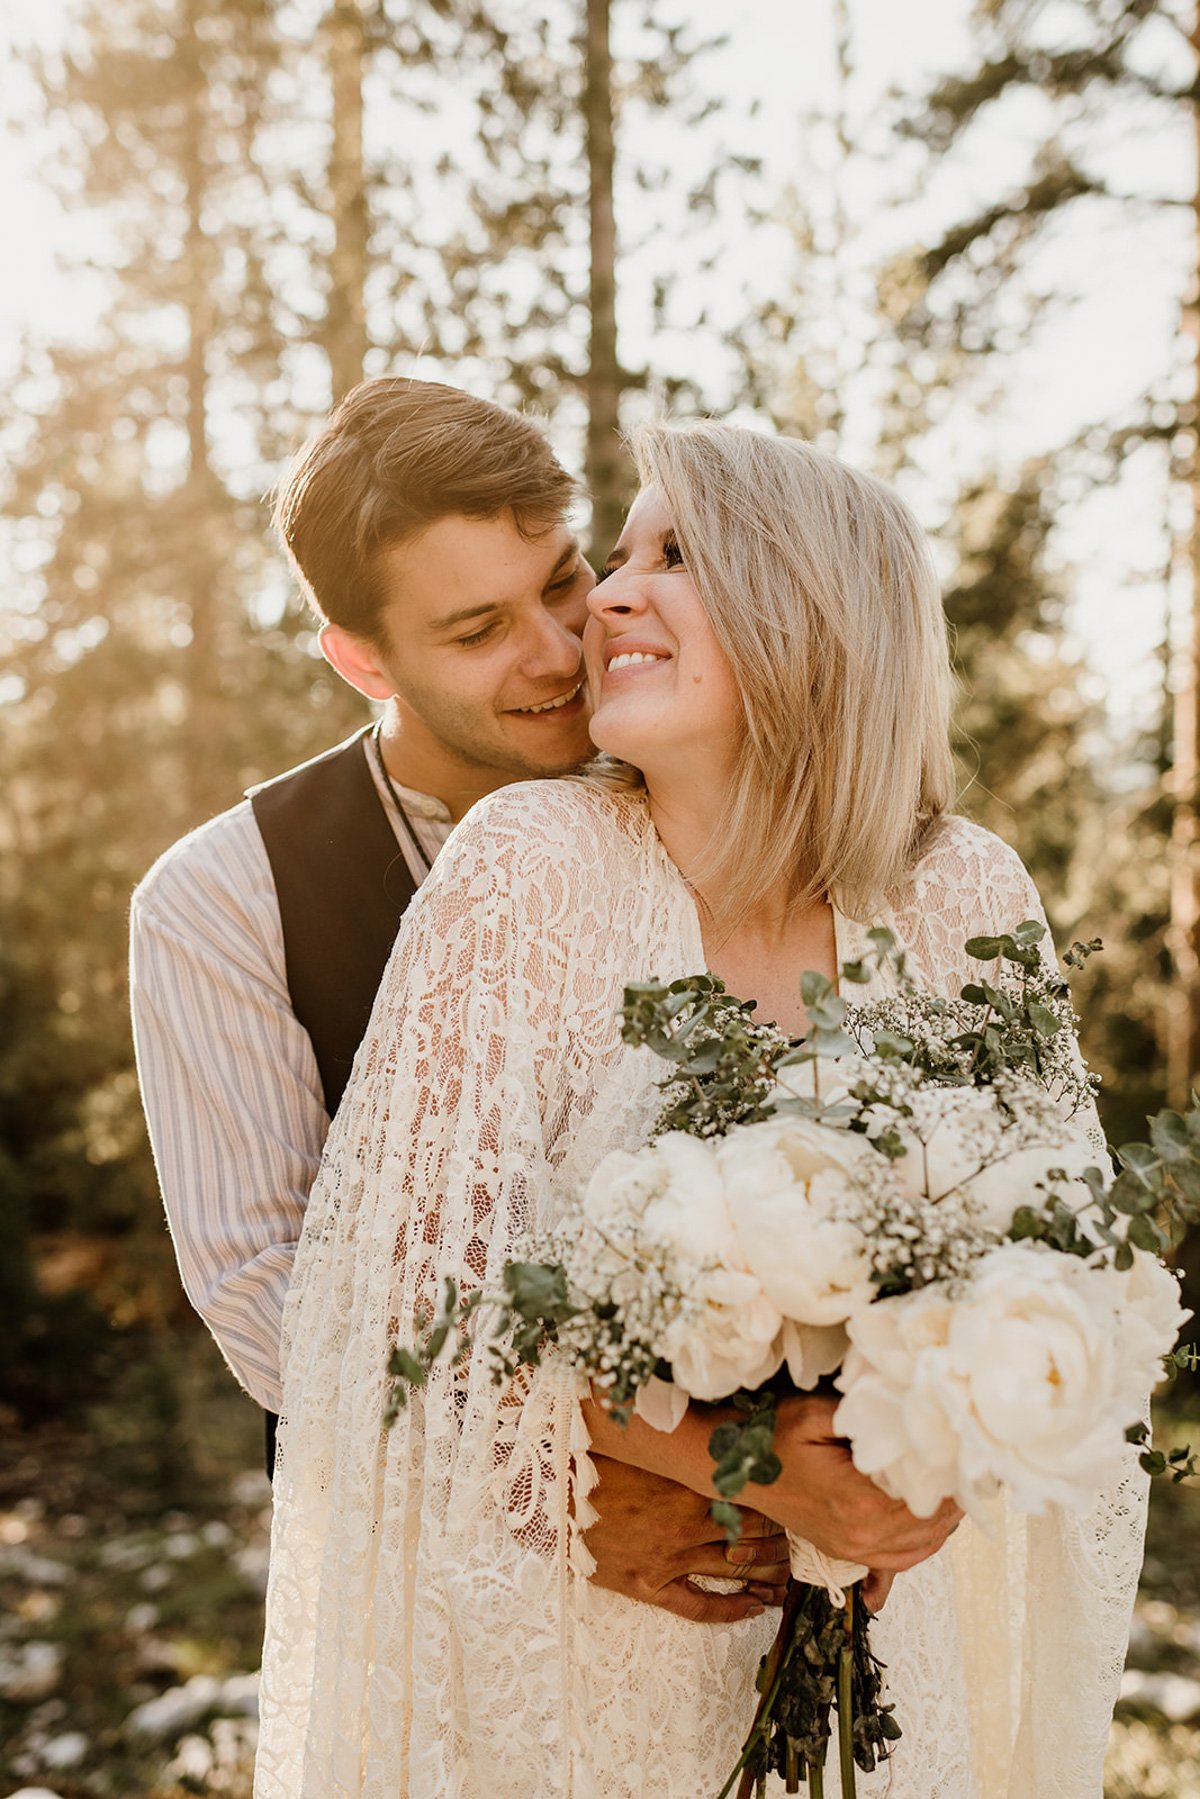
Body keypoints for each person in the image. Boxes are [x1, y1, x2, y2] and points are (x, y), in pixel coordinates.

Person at [252, 418, 1141, 1798]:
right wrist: (748, 1466)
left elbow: (1071, 1269)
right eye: (615, 558)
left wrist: (930, 1440)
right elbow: (407, 1302)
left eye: (674, 555)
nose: (605, 599)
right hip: (598, 1641)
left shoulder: (964, 892)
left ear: (809, 608)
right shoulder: (526, 867)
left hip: (898, 1633)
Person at [131, 377, 919, 1636]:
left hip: (780, 1554)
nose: (559, 650)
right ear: (362, 659)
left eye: (560, 580)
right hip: (439, 1569)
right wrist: (556, 1480)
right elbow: (262, 1286)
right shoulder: (223, 897)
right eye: (478, 628)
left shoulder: (693, 774)